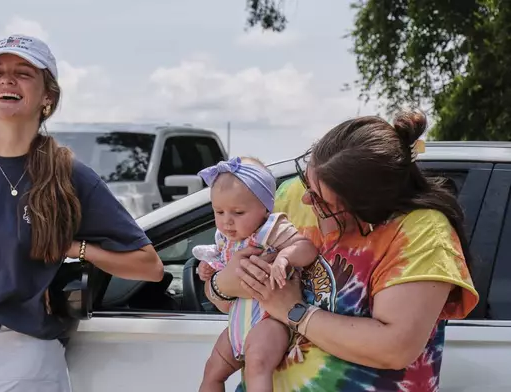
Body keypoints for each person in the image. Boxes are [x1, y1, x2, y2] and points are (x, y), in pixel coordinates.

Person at [0, 34, 163, 392]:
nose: (6, 79)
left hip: (29, 366)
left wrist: (77, 249)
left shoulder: (68, 174)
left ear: (47, 97)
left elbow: (149, 265)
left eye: (23, 73)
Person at [204, 112, 479, 392]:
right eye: (307, 182)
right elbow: (227, 297)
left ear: (369, 208)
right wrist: (222, 283)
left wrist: (293, 310)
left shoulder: (422, 233)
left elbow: (395, 348)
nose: (306, 199)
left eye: (322, 201)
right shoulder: (292, 196)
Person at [192, 156, 318, 392]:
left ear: (265, 208)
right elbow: (220, 268)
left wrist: (284, 256)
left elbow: (307, 249)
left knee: (257, 365)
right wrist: (207, 269)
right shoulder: (225, 239)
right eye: (218, 212)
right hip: (238, 324)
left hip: (270, 320)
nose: (227, 221)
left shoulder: (271, 228)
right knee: (212, 370)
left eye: (238, 212)